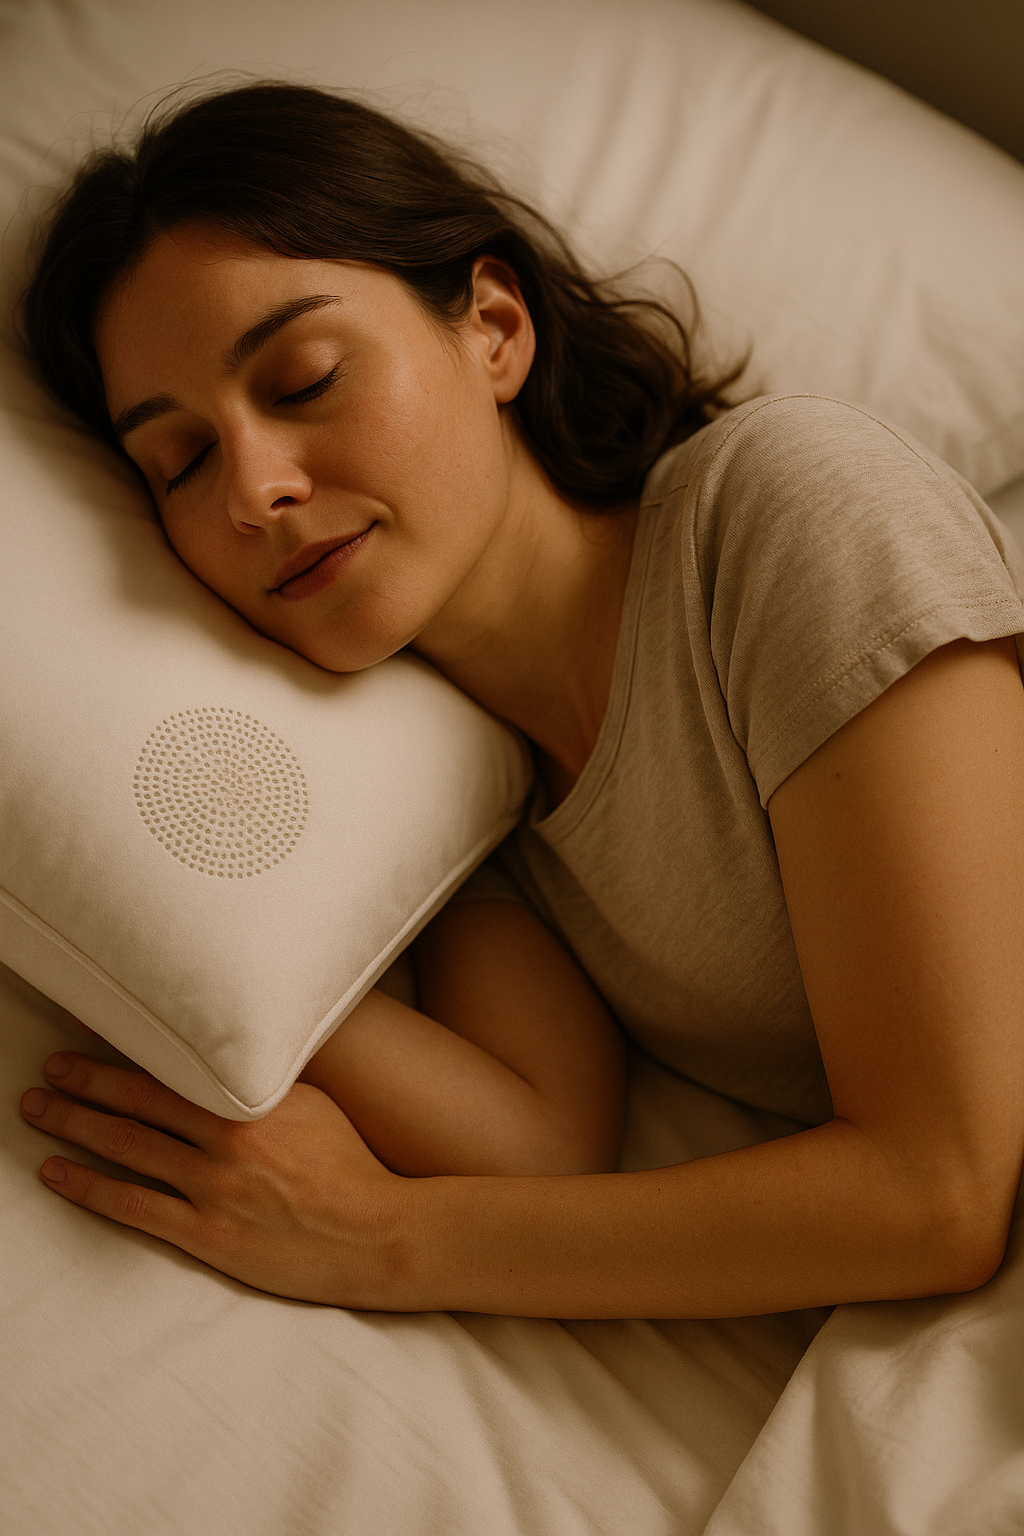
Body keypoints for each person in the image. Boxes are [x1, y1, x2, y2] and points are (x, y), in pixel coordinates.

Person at [17, 82, 1024, 1319]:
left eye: (303, 377)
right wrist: (107, 901)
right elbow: (533, 1150)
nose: (253, 492)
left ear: (493, 327)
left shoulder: (784, 511)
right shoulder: (459, 792)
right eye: (179, 460)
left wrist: (382, 1240)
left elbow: (939, 1191)